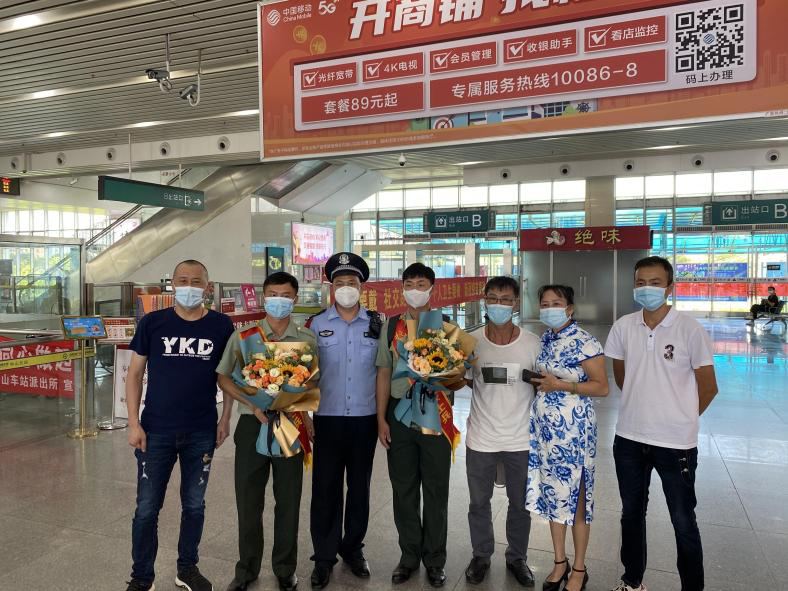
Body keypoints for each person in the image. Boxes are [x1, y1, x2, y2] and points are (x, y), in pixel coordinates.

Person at [605, 256, 718, 591]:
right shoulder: (623, 326)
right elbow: (622, 377)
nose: (647, 289)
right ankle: (632, 581)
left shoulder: (689, 329)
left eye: (655, 283)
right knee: (631, 513)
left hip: (676, 444)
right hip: (629, 438)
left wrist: (679, 418)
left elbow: (708, 387)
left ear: (669, 287)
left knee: (683, 519)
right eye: (641, 282)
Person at [125, 260, 235, 591]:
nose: (189, 286)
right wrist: (133, 423)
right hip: (155, 430)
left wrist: (225, 418)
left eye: (196, 281)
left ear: (208, 287)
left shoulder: (221, 325)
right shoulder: (153, 323)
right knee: (147, 509)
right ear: (172, 284)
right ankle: (142, 577)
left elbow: (228, 376)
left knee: (194, 505)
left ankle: (187, 568)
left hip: (201, 430)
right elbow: (134, 374)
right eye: (183, 280)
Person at [218, 271, 317, 591]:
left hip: (291, 423)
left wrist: (305, 415)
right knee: (248, 500)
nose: (279, 300)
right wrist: (252, 403)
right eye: (273, 294)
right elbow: (224, 377)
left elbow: (311, 382)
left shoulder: (306, 339)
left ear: (295, 299)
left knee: (288, 499)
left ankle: (285, 567)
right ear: (264, 297)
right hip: (252, 423)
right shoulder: (244, 336)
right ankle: (246, 569)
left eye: (285, 295)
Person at [525, 285, 609, 591]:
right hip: (547, 432)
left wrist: (561, 385)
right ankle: (559, 561)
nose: (550, 308)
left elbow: (602, 387)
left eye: (556, 303)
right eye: (545, 304)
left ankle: (579, 568)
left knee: (577, 498)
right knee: (554, 494)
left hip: (574, 433)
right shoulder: (546, 339)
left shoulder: (586, 342)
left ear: (569, 308)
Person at [376, 262, 453, 588]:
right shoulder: (392, 326)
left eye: (421, 284)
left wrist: (441, 377)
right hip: (399, 415)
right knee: (404, 489)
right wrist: (381, 418)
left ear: (432, 289)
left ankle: (434, 560)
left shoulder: (447, 326)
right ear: (402, 289)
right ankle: (409, 556)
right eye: (409, 284)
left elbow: (458, 374)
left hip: (435, 414)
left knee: (436, 490)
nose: (415, 290)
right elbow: (383, 372)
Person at [307, 252, 381, 589]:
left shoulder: (377, 324)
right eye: (340, 282)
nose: (346, 287)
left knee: (360, 489)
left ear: (362, 288)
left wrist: (383, 419)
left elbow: (383, 372)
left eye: (352, 282)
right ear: (331, 287)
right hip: (327, 418)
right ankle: (323, 557)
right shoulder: (316, 325)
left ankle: (353, 548)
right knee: (325, 488)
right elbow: (305, 374)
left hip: (365, 419)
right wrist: (305, 415)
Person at [463, 276, 539, 587]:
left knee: (520, 504)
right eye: (493, 298)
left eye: (506, 299)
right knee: (478, 502)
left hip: (521, 438)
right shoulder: (471, 342)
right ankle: (481, 555)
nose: (499, 305)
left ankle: (517, 557)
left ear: (516, 303)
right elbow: (468, 381)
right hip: (481, 437)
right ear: (484, 300)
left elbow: (542, 387)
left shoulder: (532, 343)